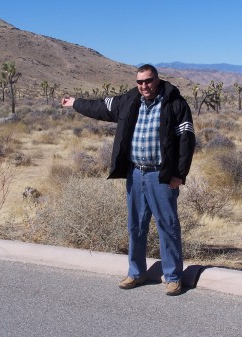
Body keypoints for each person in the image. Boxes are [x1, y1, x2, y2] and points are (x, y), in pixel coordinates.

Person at [61, 64, 195, 296]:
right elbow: (101, 107)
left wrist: (179, 174)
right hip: (135, 173)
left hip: (161, 176)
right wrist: (75, 103)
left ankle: (173, 277)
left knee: (168, 226)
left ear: (157, 80)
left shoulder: (175, 103)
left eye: (149, 81)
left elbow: (187, 138)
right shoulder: (129, 101)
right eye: (140, 82)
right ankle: (136, 272)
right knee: (135, 225)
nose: (144, 86)